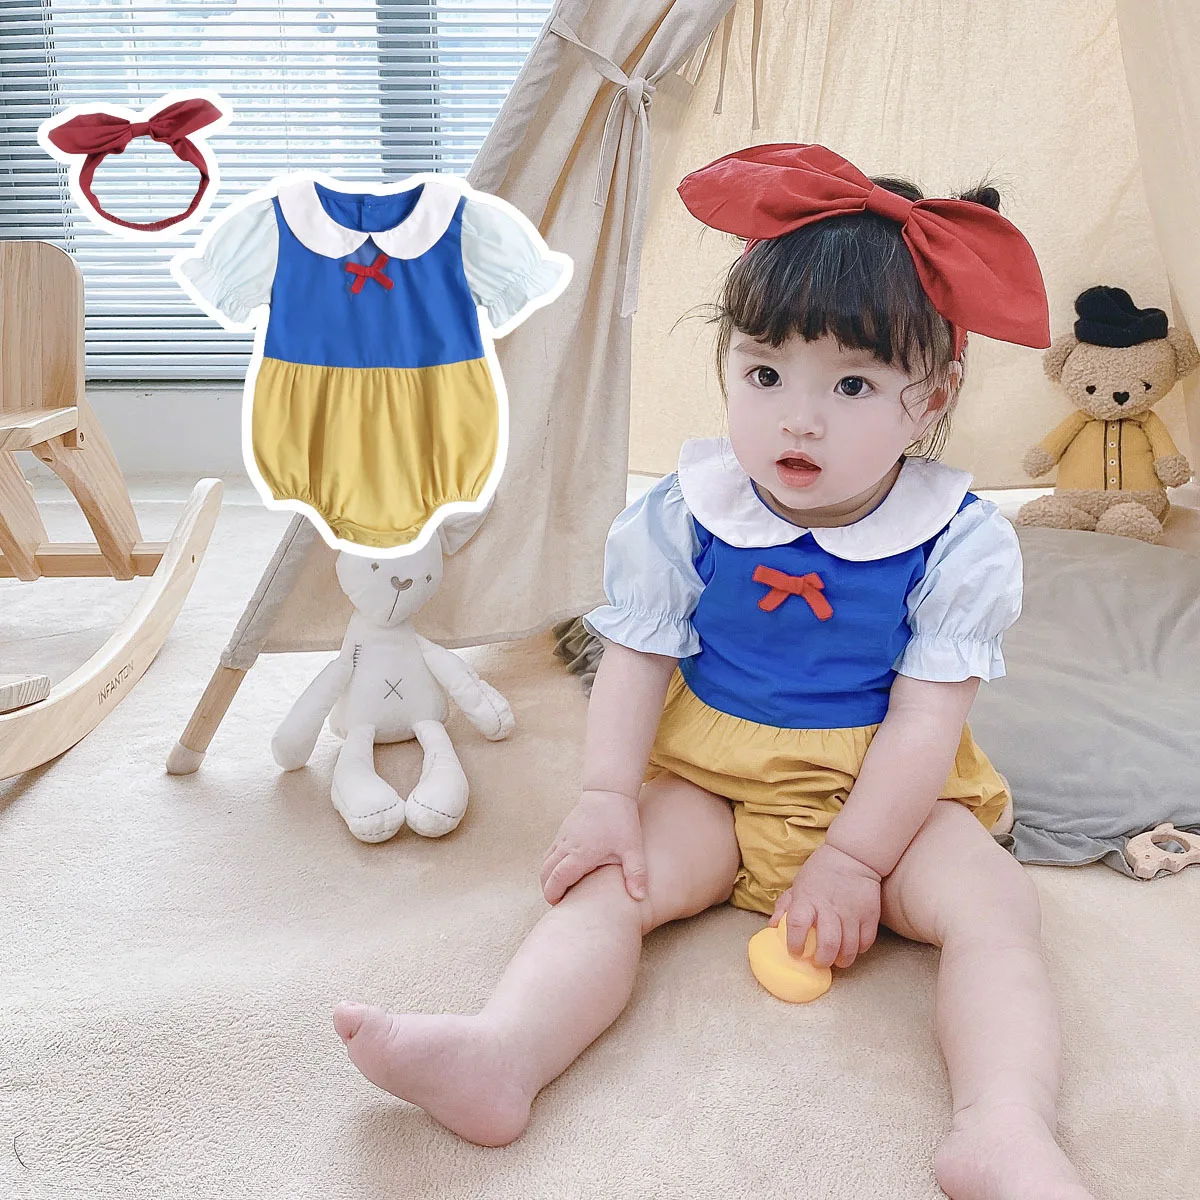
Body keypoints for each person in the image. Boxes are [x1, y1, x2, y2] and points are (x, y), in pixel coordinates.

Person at [331, 143, 1094, 1200]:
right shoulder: (688, 510)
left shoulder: (958, 541)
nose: (798, 417)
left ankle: (1003, 1127)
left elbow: (925, 721)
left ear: (929, 401)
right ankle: (502, 1052)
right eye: (764, 372)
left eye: (854, 384)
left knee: (998, 910)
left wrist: (856, 860)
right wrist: (606, 796)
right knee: (611, 879)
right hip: (716, 783)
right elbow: (636, 657)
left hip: (887, 797)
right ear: (728, 362)